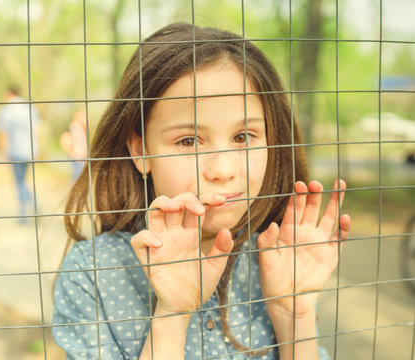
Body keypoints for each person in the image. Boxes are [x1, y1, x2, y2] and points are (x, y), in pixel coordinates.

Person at [51, 22, 351, 359]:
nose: (223, 170)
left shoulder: (277, 257)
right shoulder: (95, 272)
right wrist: (172, 315)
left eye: (243, 137)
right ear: (140, 150)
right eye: (189, 141)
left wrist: (294, 315)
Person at [0, 86, 40, 223]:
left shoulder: (7, 110)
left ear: (9, 94)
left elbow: (4, 134)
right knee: (23, 181)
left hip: (15, 151)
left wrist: (4, 155)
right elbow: (36, 129)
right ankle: (30, 208)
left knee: (19, 182)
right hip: (30, 150)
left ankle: (26, 213)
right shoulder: (29, 107)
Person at [59, 109, 88, 181]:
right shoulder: (74, 127)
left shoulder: (79, 128)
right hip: (77, 157)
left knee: (79, 176)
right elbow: (65, 138)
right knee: (78, 177)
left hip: (80, 157)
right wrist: (71, 151)